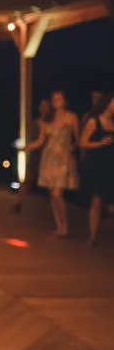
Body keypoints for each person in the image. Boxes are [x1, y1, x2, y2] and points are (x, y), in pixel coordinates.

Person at [23, 90, 79, 237]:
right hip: (49, 158)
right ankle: (58, 225)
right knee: (51, 194)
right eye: (54, 99)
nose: (57, 101)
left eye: (59, 98)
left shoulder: (72, 117)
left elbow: (78, 140)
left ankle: (65, 225)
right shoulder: (48, 119)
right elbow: (41, 141)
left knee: (57, 193)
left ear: (65, 100)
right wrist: (26, 147)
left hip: (63, 158)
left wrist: (72, 148)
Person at [79, 92, 114, 247]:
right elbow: (82, 142)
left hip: (110, 164)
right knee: (97, 200)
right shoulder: (94, 121)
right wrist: (101, 143)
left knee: (107, 200)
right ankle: (92, 236)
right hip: (97, 164)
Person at [13, 99, 52, 212]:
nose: (43, 109)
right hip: (35, 155)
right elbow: (36, 139)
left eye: (45, 106)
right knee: (27, 179)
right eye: (41, 106)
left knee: (50, 183)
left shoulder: (51, 123)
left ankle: (52, 206)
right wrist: (26, 148)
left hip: (47, 155)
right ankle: (18, 202)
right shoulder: (36, 122)